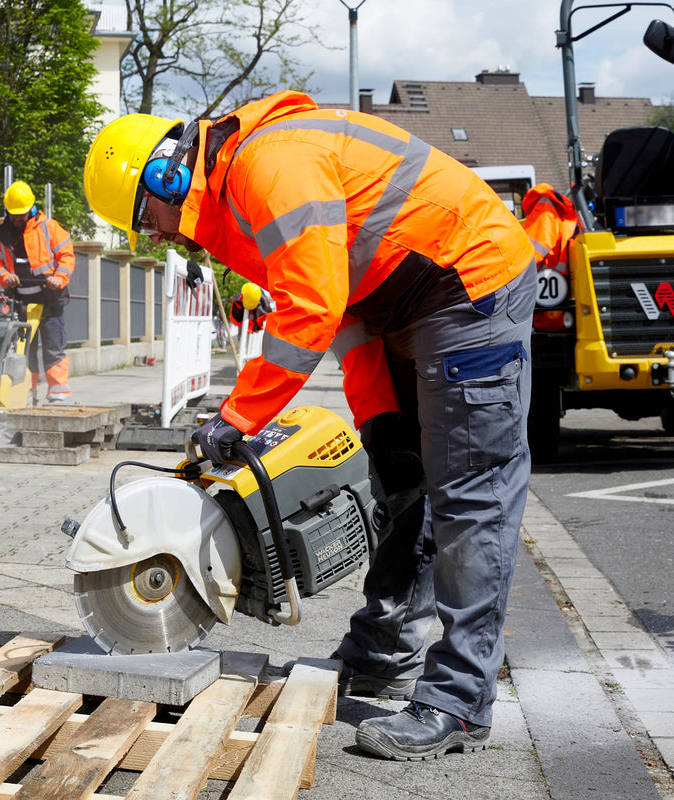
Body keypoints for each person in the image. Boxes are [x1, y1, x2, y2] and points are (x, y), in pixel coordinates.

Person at [83, 91, 536, 761]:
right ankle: (385, 649)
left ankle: (461, 700)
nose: (153, 234)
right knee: (402, 483)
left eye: (144, 219)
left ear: (165, 176)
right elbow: (345, 311)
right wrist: (379, 419)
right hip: (402, 304)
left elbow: (313, 309)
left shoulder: (270, 167)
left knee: (470, 494)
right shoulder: (236, 200)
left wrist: (239, 417)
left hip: (466, 286)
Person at [0, 180, 75, 403]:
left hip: (49, 298)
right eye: (13, 215)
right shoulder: (2, 234)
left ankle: (58, 390)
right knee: (23, 348)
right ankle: (28, 389)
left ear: (31, 209)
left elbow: (66, 255)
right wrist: (7, 277)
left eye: (21, 214)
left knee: (53, 344)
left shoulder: (49, 227)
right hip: (20, 300)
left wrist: (59, 278)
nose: (16, 219)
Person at [520, 182, 579, 276]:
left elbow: (531, 254)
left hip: (547, 278)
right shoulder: (550, 208)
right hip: (554, 279)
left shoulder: (545, 208)